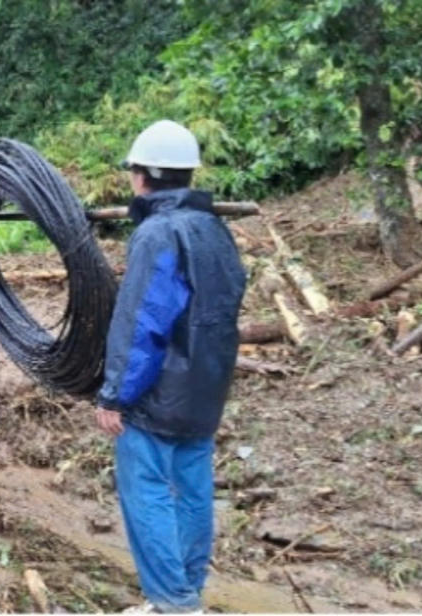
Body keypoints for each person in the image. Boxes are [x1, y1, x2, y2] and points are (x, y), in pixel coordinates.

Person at [93, 120, 247, 614]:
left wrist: (116, 393)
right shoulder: (214, 230)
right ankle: (185, 598)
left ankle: (172, 605)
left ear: (141, 176)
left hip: (158, 394)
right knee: (192, 492)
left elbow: (143, 321)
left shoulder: (158, 233)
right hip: (206, 388)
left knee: (149, 494)